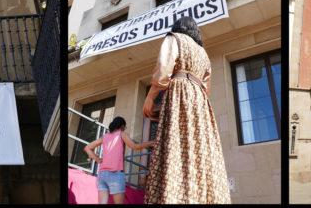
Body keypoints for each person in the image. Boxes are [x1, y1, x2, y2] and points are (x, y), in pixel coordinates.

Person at [141, 16, 230, 204]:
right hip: (200, 103)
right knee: (200, 152)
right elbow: (207, 88)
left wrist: (150, 96)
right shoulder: (204, 54)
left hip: (180, 93)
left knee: (177, 145)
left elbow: (164, 72)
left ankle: (175, 194)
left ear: (178, 27)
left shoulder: (174, 38)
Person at [83, 117, 157, 204]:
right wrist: (151, 142)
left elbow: (87, 148)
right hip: (115, 175)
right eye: (125, 128)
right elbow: (135, 146)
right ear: (122, 127)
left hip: (102, 175)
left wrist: (98, 160)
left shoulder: (104, 137)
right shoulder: (122, 134)